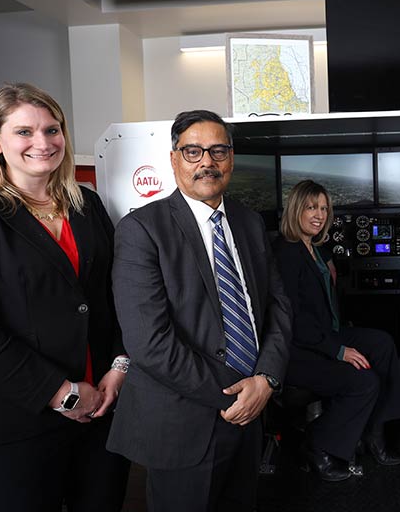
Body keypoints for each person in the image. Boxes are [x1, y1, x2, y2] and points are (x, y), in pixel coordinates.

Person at [0, 83, 130, 512]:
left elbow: (115, 294)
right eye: (24, 132)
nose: (43, 143)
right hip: (7, 424)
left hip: (100, 411)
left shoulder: (85, 204)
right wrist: (62, 393)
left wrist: (119, 365)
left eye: (52, 130)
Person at [106, 110, 292, 512]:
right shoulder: (142, 230)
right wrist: (236, 392)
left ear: (231, 159)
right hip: (183, 422)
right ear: (174, 159)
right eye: (193, 151)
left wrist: (265, 379)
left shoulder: (249, 222)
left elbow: (277, 305)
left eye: (218, 151)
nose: (207, 161)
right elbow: (148, 342)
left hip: (251, 411)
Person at [272, 180, 400, 481]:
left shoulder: (315, 249)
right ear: (296, 209)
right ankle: (315, 442)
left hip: (325, 334)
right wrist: (339, 351)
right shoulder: (286, 253)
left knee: (383, 344)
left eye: (324, 208)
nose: (319, 215)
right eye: (311, 207)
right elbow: (294, 319)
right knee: (365, 382)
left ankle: (375, 433)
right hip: (298, 350)